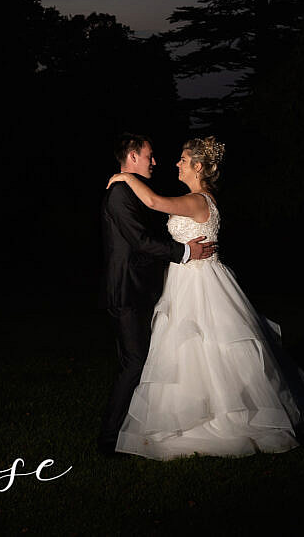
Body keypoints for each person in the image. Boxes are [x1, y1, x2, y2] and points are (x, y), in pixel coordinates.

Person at [106, 136, 304, 460]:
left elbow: (154, 203)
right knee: (195, 351)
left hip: (199, 283)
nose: (174, 163)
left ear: (198, 167)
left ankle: (221, 420)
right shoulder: (199, 199)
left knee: (204, 347)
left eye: (183, 160)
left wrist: (125, 176)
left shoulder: (198, 200)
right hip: (188, 279)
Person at [98, 133, 217, 457]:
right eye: (149, 156)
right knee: (135, 362)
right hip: (127, 289)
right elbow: (140, 242)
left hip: (144, 288)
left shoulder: (134, 190)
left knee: (150, 361)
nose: (155, 161)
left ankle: (133, 429)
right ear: (132, 156)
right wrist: (184, 252)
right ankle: (110, 439)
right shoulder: (121, 193)